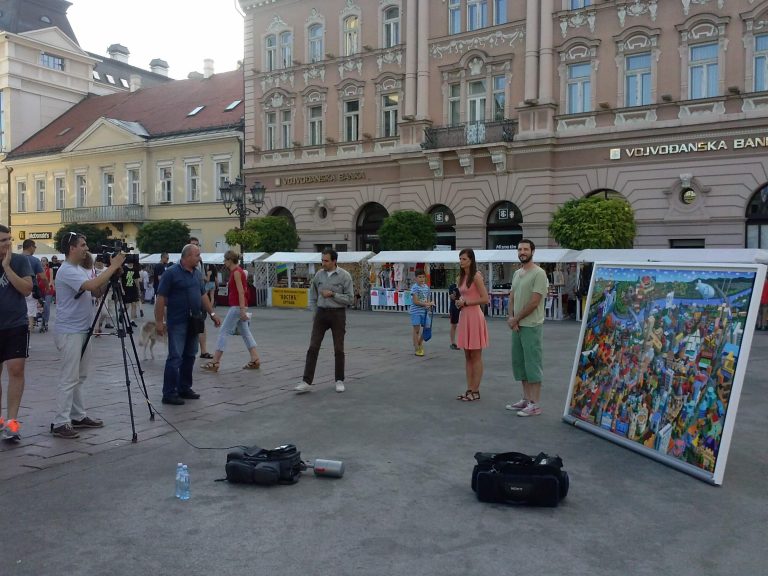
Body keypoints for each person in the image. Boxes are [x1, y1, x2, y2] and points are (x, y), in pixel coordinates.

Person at [51, 232, 125, 439]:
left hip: (83, 328)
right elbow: (91, 286)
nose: (86, 248)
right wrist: (111, 267)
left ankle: (77, 415)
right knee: (69, 377)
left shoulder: (81, 269)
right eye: (82, 245)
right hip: (70, 331)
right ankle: (60, 422)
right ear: (71, 248)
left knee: (80, 376)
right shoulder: (66, 270)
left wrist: (112, 274)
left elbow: (96, 292)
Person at [154, 243, 221, 405]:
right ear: (187, 256)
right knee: (175, 356)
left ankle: (184, 387)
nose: (199, 258)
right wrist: (159, 322)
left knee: (190, 355)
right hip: (177, 321)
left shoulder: (197, 274)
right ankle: (169, 393)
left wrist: (212, 313)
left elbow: (203, 295)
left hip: (194, 320)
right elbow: (161, 298)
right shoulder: (171, 273)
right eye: (197, 255)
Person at [295, 248, 354, 394]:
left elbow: (350, 299)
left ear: (334, 261)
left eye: (326, 260)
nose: (323, 263)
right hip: (321, 313)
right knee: (313, 347)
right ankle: (306, 381)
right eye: (322, 260)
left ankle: (339, 380)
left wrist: (333, 294)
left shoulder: (344, 276)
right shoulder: (319, 275)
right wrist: (314, 312)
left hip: (337, 314)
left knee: (338, 348)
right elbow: (313, 295)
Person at [505, 239, 549, 417]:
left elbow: (534, 302)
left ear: (532, 251)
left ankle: (535, 403)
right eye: (520, 249)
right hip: (517, 325)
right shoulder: (517, 273)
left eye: (525, 249)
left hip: (531, 325)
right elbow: (512, 297)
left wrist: (515, 318)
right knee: (520, 363)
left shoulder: (539, 273)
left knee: (533, 364)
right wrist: (511, 318)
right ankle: (525, 398)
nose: (522, 251)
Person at [201, 250, 261, 372]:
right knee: (245, 333)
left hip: (236, 307)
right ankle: (255, 359)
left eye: (225, 260)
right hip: (239, 306)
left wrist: (242, 309)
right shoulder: (238, 271)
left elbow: (241, 291)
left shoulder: (236, 273)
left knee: (223, 331)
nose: (224, 262)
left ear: (229, 260)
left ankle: (215, 362)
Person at [0, 225, 34, 442]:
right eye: (3, 240)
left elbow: (26, 289)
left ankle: (12, 422)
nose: (7, 243)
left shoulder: (20, 261)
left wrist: (7, 268)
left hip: (16, 324)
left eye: (8, 239)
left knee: (16, 370)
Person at [455, 248, 489, 402]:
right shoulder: (460, 278)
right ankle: (469, 388)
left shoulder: (476, 276)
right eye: (460, 259)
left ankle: (476, 390)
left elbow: (485, 299)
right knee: (467, 355)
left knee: (476, 355)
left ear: (471, 260)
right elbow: (463, 296)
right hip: (465, 316)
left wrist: (466, 302)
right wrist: (459, 303)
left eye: (464, 259)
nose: (461, 262)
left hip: (475, 316)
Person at [188, 238, 213, 359]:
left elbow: (202, 279)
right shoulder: (181, 262)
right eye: (193, 245)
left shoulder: (200, 262)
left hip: (200, 296)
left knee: (201, 323)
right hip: (188, 299)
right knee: (189, 324)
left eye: (197, 245)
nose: (195, 247)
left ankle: (203, 351)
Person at [22, 239, 48, 331]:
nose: (35, 249)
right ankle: (28, 332)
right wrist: (47, 287)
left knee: (21, 311)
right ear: (31, 247)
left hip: (17, 289)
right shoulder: (35, 260)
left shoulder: (15, 258)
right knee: (30, 312)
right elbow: (43, 277)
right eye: (35, 247)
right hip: (31, 289)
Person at [409, 269, 433, 356]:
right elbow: (415, 301)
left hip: (424, 312)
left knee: (427, 327)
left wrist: (429, 305)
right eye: (419, 277)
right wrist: (426, 304)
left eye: (423, 277)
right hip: (416, 312)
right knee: (417, 330)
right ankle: (417, 347)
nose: (422, 279)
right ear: (416, 278)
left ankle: (419, 342)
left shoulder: (426, 287)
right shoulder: (415, 287)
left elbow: (427, 299)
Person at [120, 260, 140, 326]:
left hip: (133, 289)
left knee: (134, 304)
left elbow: (136, 280)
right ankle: (122, 313)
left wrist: (138, 289)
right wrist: (122, 289)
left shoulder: (135, 269)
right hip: (126, 289)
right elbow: (120, 279)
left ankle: (132, 320)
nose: (131, 263)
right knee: (127, 305)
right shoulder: (124, 268)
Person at [39, 256, 55, 332]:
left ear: (47, 262)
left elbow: (51, 280)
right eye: (41, 261)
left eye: (44, 261)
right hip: (40, 290)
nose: (42, 262)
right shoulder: (38, 270)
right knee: (41, 307)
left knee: (46, 306)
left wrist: (48, 286)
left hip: (48, 290)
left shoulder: (50, 270)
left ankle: (46, 322)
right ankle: (42, 321)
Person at [448, 282, 460, 350]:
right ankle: (453, 343)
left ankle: (462, 341)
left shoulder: (465, 285)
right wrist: (456, 291)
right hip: (454, 307)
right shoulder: (452, 286)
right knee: (454, 325)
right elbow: (451, 296)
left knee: (463, 325)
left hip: (463, 307)